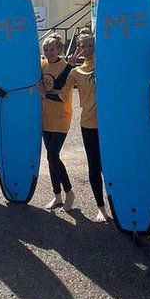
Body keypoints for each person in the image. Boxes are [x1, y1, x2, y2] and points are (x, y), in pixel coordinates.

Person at [49, 31, 107, 222]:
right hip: (89, 123)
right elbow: (58, 85)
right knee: (94, 166)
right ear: (78, 48)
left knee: (111, 166)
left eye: (90, 45)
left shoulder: (105, 62)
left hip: (109, 124)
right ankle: (101, 208)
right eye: (83, 46)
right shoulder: (75, 71)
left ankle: (119, 204)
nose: (87, 49)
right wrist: (69, 66)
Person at [38, 34, 75, 212]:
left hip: (61, 117)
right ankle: (57, 196)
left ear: (59, 50)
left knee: (53, 155)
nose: (49, 52)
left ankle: (69, 192)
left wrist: (44, 95)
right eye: (45, 49)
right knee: (50, 158)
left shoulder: (66, 67)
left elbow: (63, 96)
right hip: (45, 117)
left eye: (52, 49)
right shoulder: (42, 64)